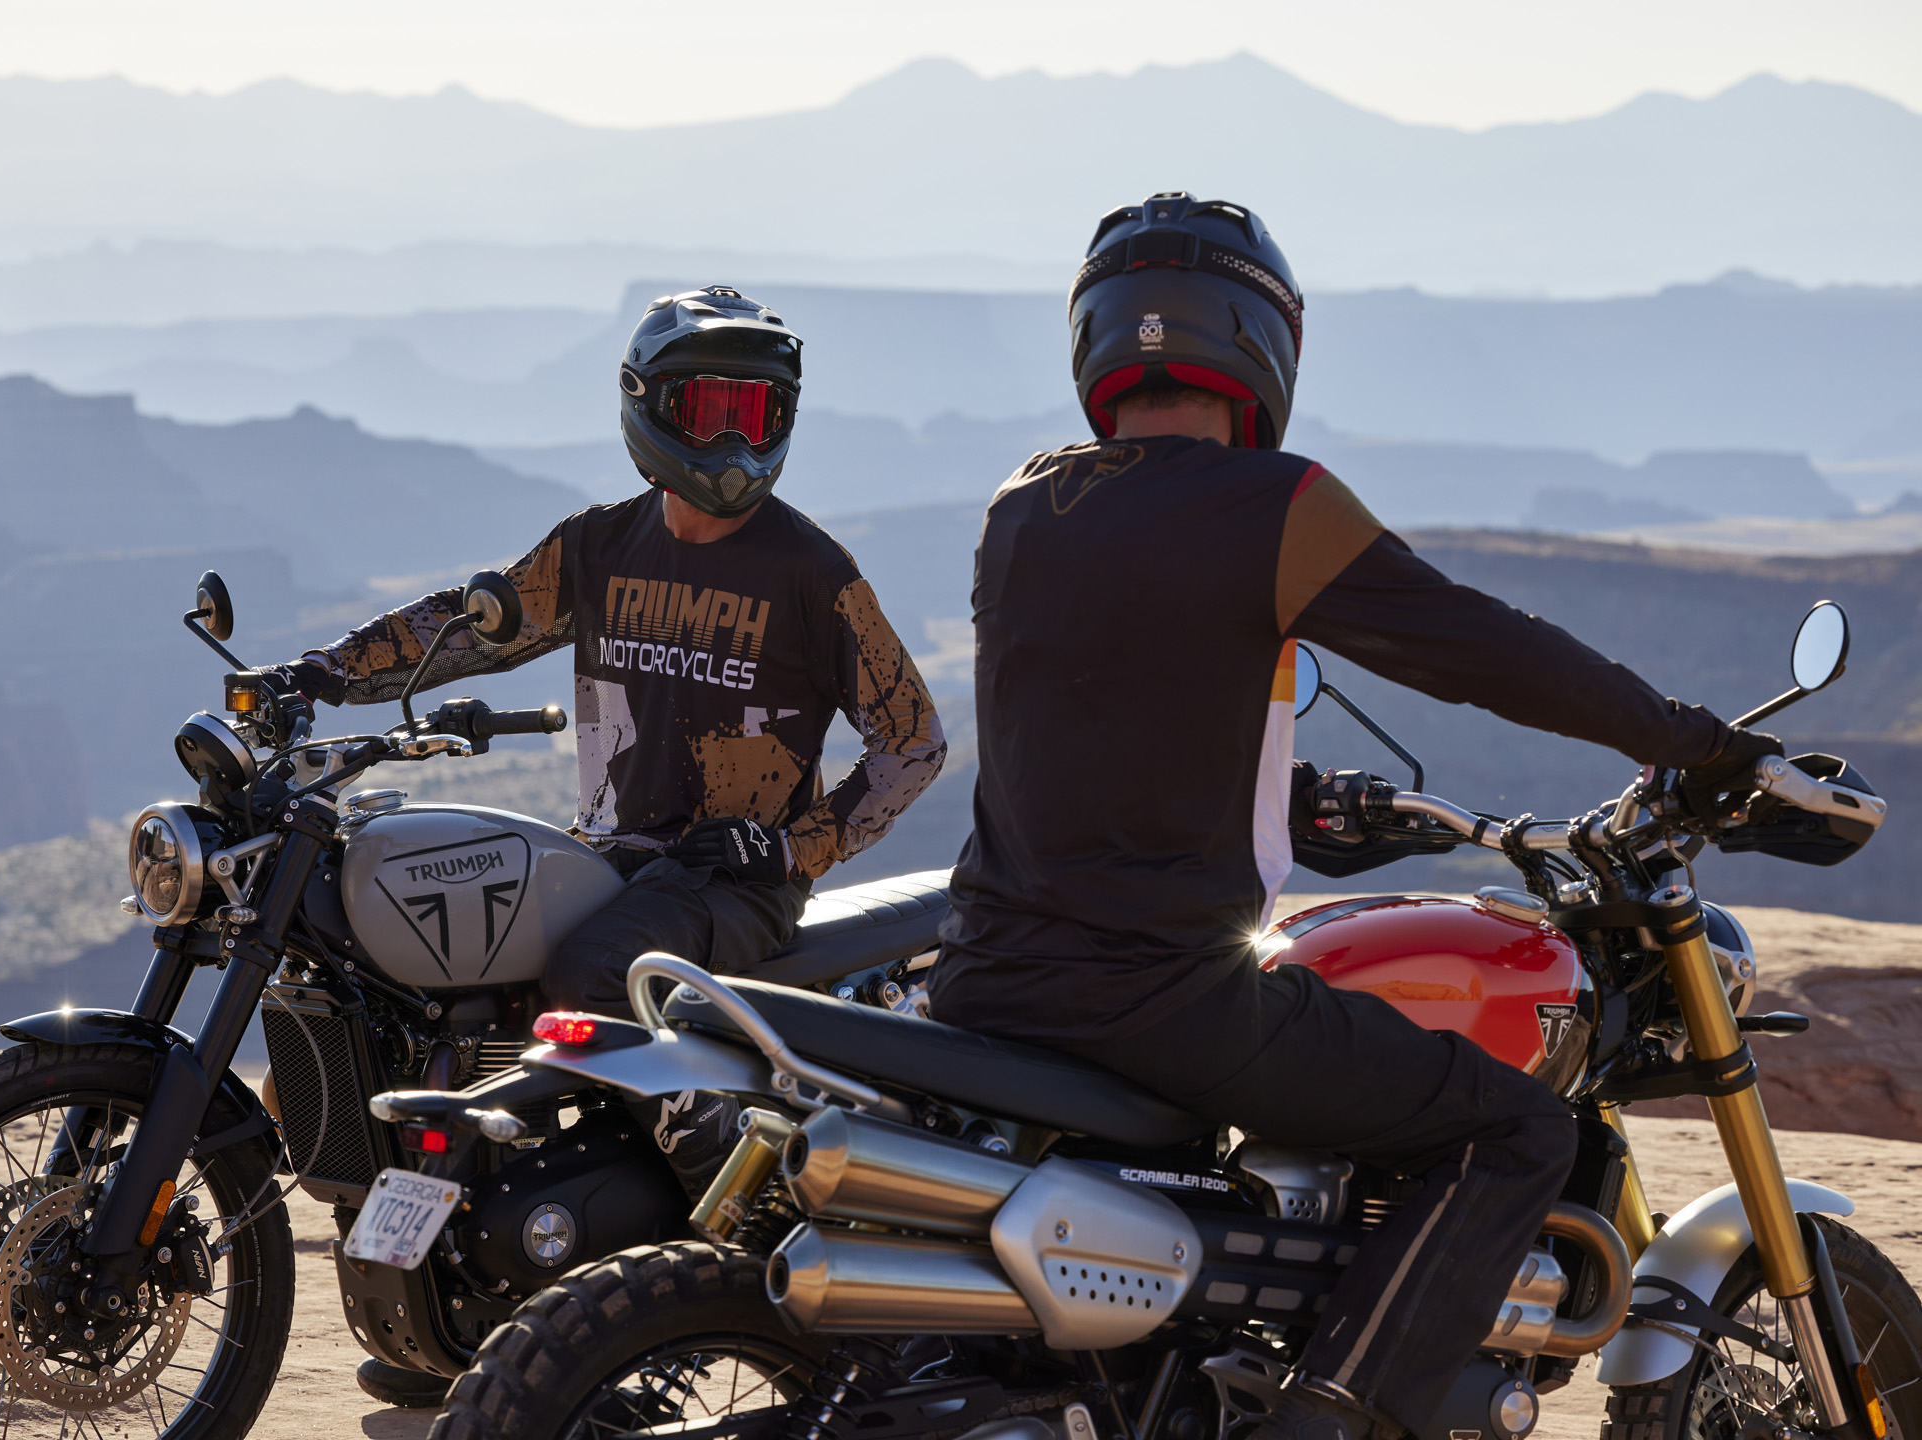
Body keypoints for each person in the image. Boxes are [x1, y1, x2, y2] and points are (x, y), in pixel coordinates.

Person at [929, 194, 1780, 1440]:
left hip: (985, 979)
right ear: (1259, 341)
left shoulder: (1023, 506)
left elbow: (1095, 720)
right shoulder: (1271, 503)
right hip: (1162, 999)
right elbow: (1484, 649)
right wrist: (1692, 746)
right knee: (1514, 1125)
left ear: (1096, 343)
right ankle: (1334, 1410)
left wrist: (1285, 805)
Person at [286, 285, 945, 1406]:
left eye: (757, 408)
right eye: (708, 408)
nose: (734, 438)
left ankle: (741, 1249)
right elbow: (475, 624)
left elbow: (913, 741)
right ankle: (472, 1307)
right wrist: (319, 673)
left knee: (591, 974)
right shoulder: (595, 548)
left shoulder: (811, 570)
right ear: (648, 411)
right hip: (616, 860)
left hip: (729, 885)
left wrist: (800, 854)